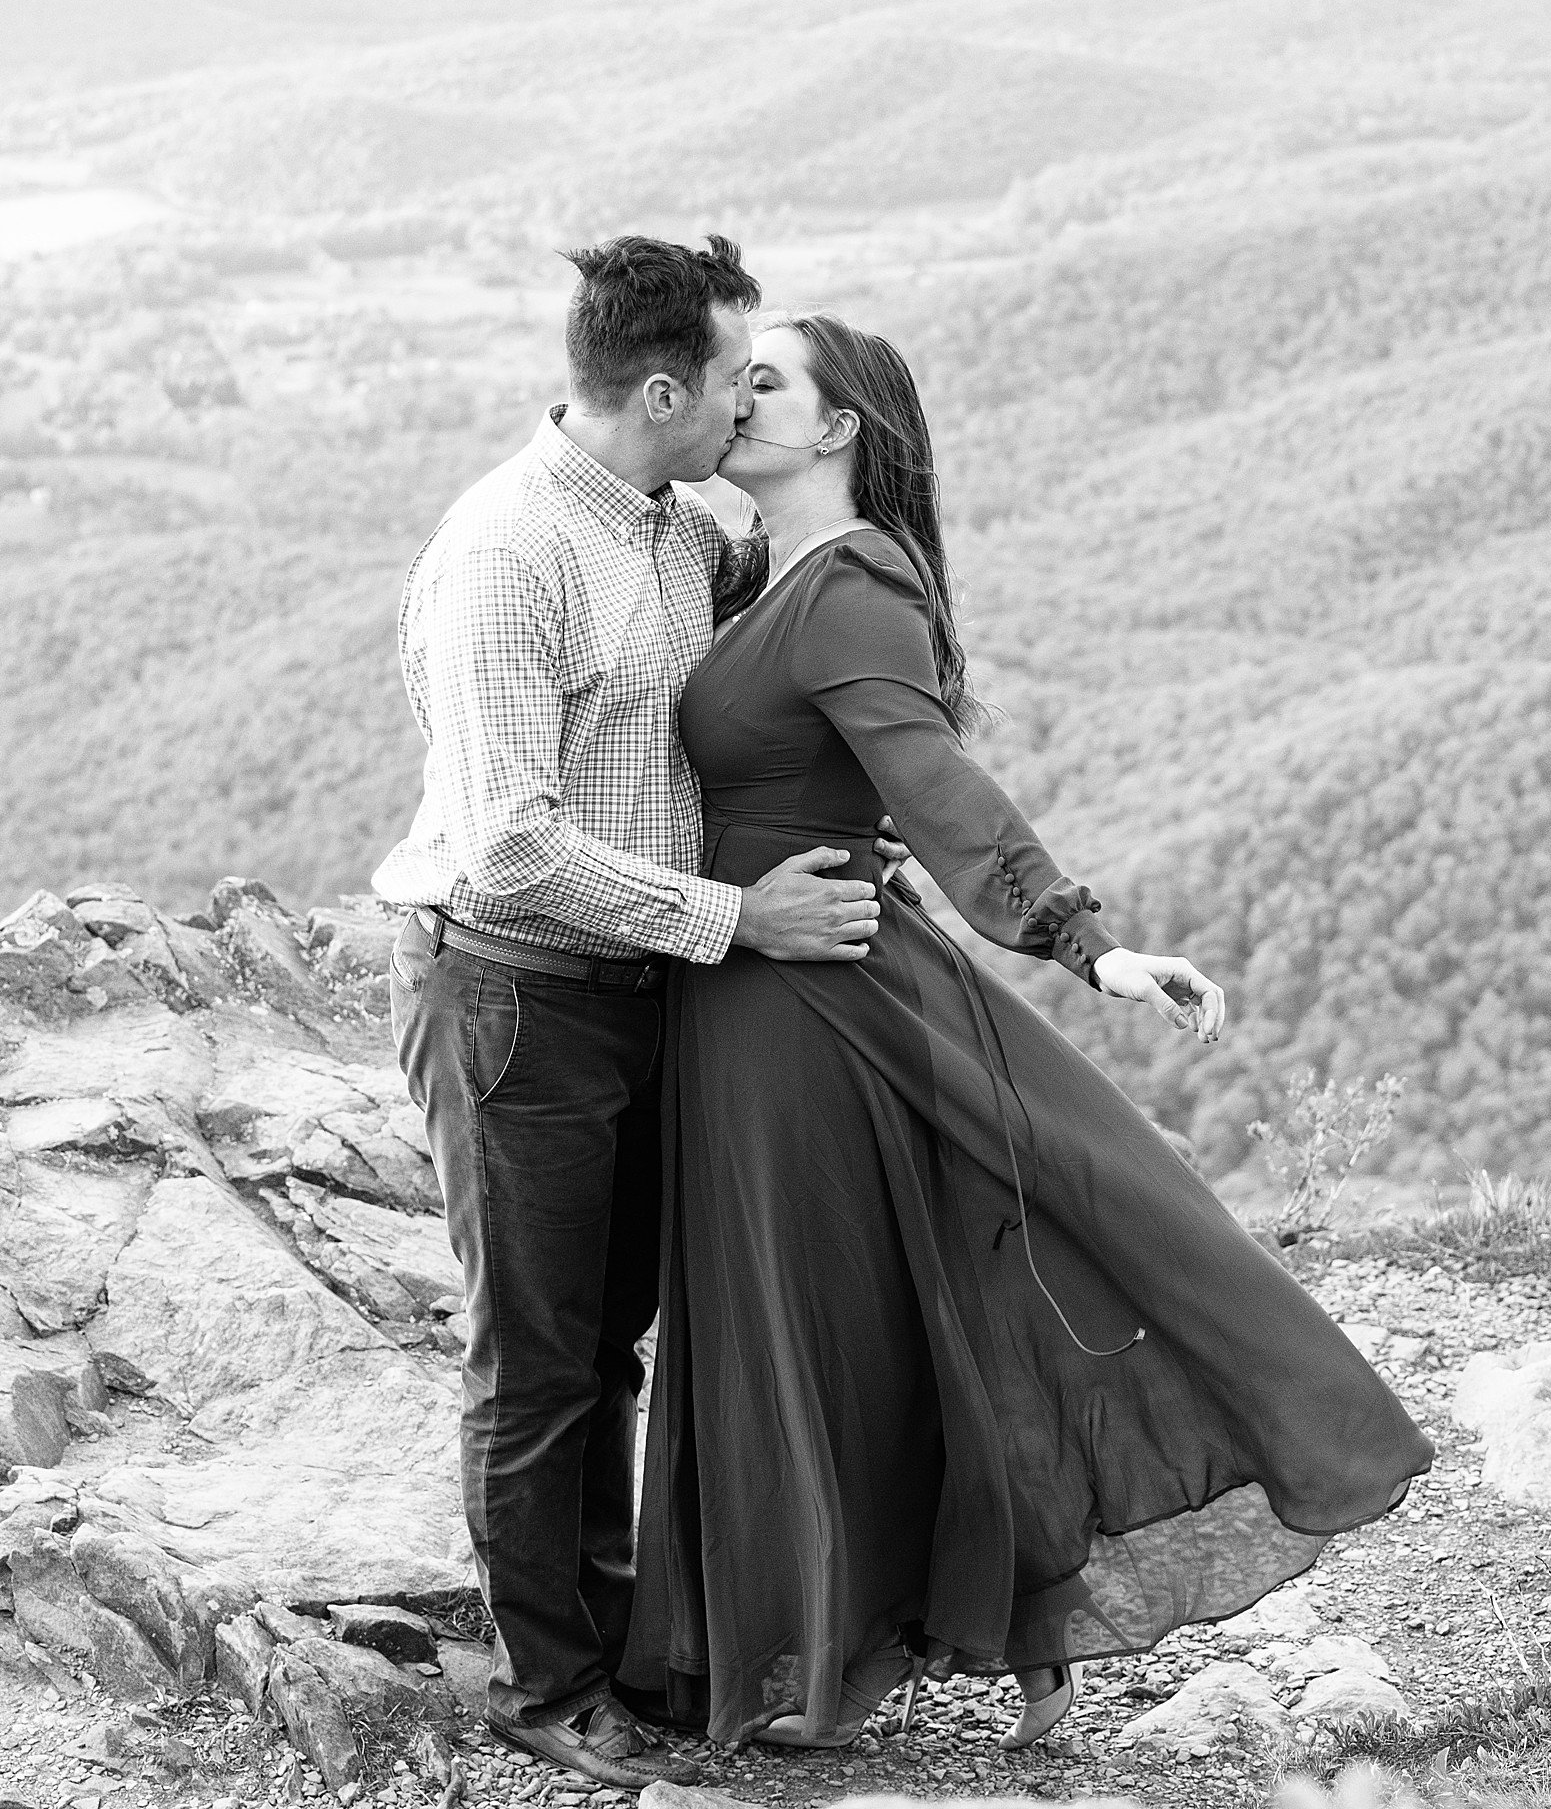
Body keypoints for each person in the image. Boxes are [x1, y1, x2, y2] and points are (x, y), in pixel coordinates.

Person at [619, 311, 1433, 1751]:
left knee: (824, 1309)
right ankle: (991, 1631)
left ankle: (846, 1649)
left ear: (837, 430)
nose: (735, 402)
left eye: (766, 384)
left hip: (810, 1001)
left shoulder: (851, 588)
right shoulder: (754, 570)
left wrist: (1086, 942)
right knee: (879, 1295)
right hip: (754, 980)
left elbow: (940, 789)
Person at [375, 238, 904, 1788]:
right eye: (738, 374)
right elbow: (511, 843)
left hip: (647, 991)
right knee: (539, 1357)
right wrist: (745, 922)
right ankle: (547, 1684)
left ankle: (629, 1642)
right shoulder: (508, 553)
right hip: (517, 995)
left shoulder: (676, 529)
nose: (752, 395)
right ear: (662, 390)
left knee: (616, 1340)